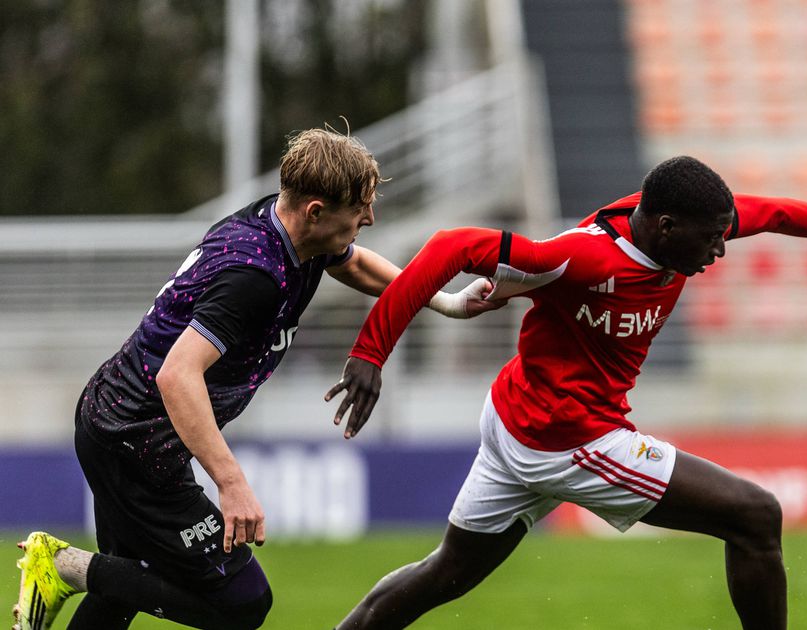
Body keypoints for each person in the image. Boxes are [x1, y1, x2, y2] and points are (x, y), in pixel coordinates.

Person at [324, 155, 807, 628]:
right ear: (664, 226)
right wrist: (370, 352)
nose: (721, 248)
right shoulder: (581, 258)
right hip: (568, 438)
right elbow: (449, 245)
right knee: (756, 516)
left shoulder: (677, 223)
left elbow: (776, 213)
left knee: (446, 574)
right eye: (712, 238)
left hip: (519, 417)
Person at [11, 128, 501, 630]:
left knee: (126, 585)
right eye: (359, 210)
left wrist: (446, 302)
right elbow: (177, 376)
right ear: (315, 211)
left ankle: (70, 574)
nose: (369, 219)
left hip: (124, 427)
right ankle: (64, 567)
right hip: (133, 441)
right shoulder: (255, 276)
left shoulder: (292, 231)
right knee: (242, 602)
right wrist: (232, 482)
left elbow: (354, 265)